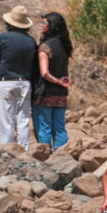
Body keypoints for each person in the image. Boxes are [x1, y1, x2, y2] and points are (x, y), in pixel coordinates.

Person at [0, 6, 37, 149]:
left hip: (7, 81)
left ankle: (6, 149)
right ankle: (24, 150)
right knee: (23, 119)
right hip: (25, 83)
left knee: (5, 119)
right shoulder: (31, 41)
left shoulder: (3, 38)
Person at [33, 12, 73, 150]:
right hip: (61, 93)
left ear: (51, 27)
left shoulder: (45, 47)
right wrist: (61, 83)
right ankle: (61, 157)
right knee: (60, 128)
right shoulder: (64, 45)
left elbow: (44, 73)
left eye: (44, 23)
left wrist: (57, 81)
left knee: (45, 127)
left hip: (47, 92)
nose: (41, 25)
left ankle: (45, 157)